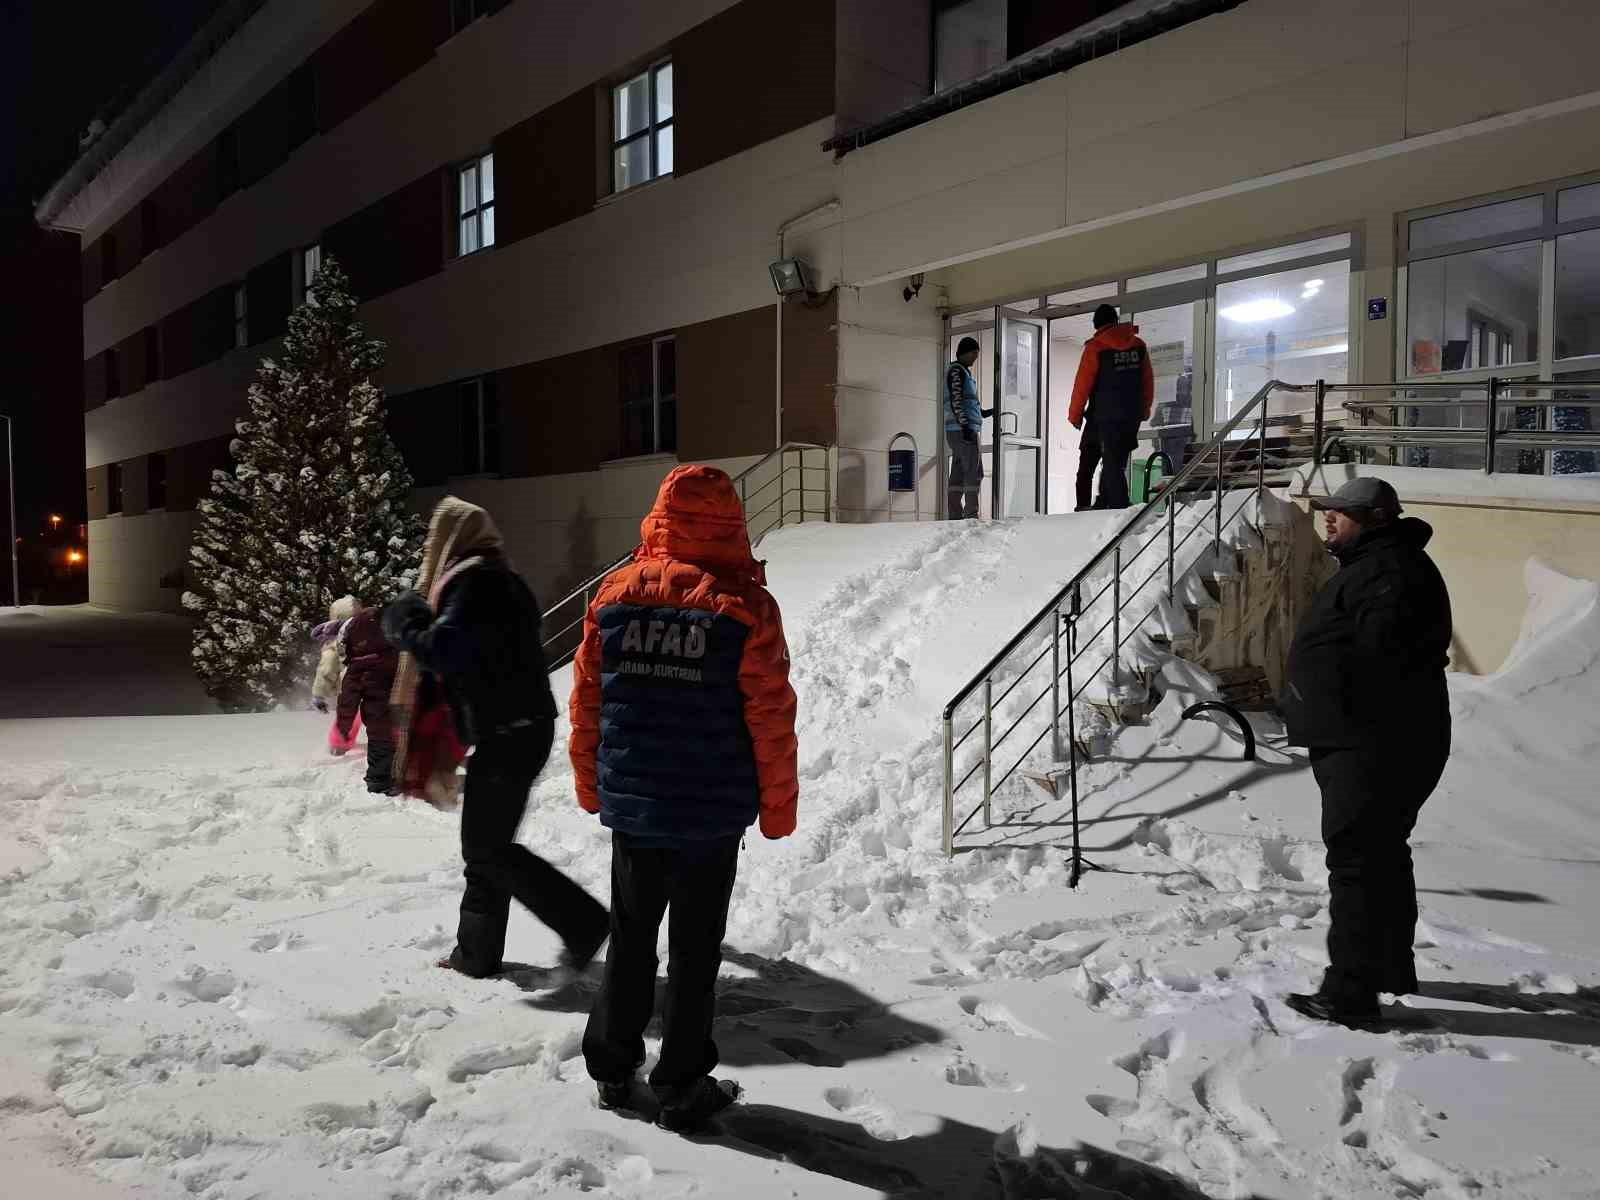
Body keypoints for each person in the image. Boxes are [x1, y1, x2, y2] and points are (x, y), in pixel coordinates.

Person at [571, 465, 798, 1132]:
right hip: (710, 810)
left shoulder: (614, 595)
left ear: (661, 516)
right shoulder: (745, 606)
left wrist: (591, 783)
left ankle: (614, 1066)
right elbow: (770, 715)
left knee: (632, 936)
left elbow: (588, 700)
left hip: (637, 805)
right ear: (731, 520)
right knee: (696, 950)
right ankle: (680, 1083)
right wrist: (778, 807)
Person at [383, 498, 610, 981]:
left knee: (486, 848)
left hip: (511, 731)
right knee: (487, 845)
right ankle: (476, 954)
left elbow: (446, 650)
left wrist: (407, 623)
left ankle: (583, 921)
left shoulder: (476, 582)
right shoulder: (498, 579)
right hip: (517, 728)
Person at [1278, 477, 1453, 1026]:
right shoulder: (1378, 567)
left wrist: (1337, 709)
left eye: (1343, 513)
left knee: (1356, 862)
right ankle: (1389, 970)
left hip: (1375, 742)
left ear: (1374, 518)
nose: (1330, 519)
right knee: (1380, 854)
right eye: (1329, 511)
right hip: (1375, 738)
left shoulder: (1389, 574)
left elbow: (1383, 661)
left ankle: (1350, 992)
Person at [1068, 304, 1154, 511]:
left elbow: (1083, 384)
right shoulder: (1138, 345)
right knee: (1116, 461)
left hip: (1104, 415)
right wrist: (1145, 408)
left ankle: (1115, 506)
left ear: (1096, 325)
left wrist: (1075, 415)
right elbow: (1147, 380)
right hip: (1130, 415)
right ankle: (1104, 502)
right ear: (1115, 321)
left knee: (1103, 463)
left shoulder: (1096, 347)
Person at [334, 603, 399, 793]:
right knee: (392, 744)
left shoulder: (356, 669)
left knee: (380, 744)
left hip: (378, 719)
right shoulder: (393, 657)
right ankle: (382, 781)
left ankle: (379, 781)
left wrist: (344, 727)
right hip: (401, 713)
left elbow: (347, 701)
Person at [944, 336, 994, 519]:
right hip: (963, 429)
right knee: (974, 470)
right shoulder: (957, 372)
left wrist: (984, 413)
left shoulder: (960, 371)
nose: (975, 357)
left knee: (958, 471)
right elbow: (957, 400)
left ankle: (955, 515)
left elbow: (966, 401)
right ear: (966, 352)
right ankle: (971, 513)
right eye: (974, 353)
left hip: (955, 430)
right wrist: (965, 426)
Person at [310, 595, 358, 712]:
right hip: (359, 689)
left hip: (352, 689)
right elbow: (327, 667)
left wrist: (318, 696)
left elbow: (327, 668)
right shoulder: (337, 642)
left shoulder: (335, 642)